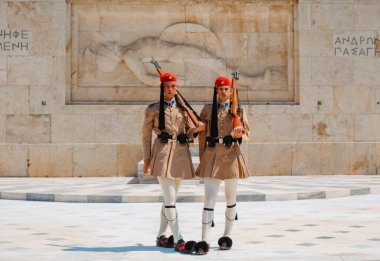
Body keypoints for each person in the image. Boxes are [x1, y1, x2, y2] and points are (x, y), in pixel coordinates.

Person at [141, 72, 204, 253]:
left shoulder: (182, 109)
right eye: (168, 86)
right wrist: (146, 160)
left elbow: (187, 132)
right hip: (161, 154)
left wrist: (197, 129)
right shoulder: (152, 109)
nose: (171, 89)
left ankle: (161, 236)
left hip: (180, 155)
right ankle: (179, 239)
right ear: (162, 88)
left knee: (171, 199)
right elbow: (145, 137)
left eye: (174, 86)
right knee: (170, 199)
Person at [193, 76, 250, 255]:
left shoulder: (239, 110)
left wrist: (238, 134)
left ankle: (226, 236)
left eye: (226, 89)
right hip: (212, 155)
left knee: (230, 198)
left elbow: (247, 136)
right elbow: (201, 135)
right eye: (220, 89)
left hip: (231, 155)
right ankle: (205, 239)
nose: (223, 92)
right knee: (209, 199)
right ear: (216, 91)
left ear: (231, 91)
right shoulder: (207, 110)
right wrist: (203, 157)